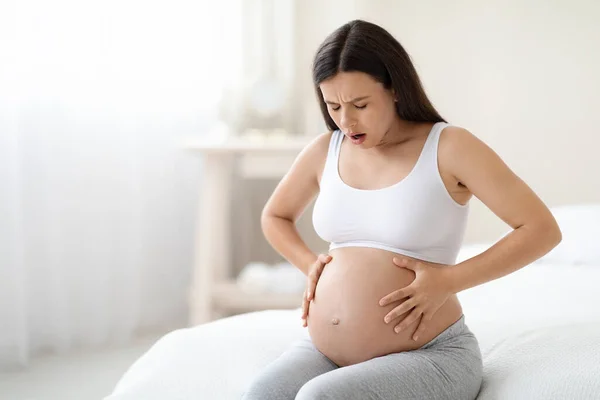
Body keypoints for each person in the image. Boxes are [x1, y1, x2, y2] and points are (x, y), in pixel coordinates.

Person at [241, 19, 562, 400]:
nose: (346, 120)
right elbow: (275, 216)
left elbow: (541, 229)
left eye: (360, 104)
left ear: (394, 89)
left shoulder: (449, 147)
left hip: (431, 355)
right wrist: (309, 264)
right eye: (333, 106)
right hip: (327, 354)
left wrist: (449, 280)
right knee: (263, 392)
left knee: (319, 397)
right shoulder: (325, 150)